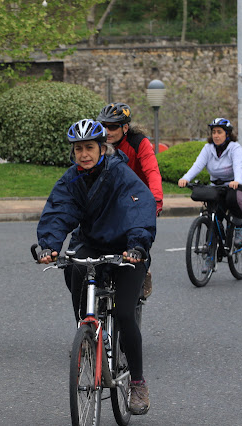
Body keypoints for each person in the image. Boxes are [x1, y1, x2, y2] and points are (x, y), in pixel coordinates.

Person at [36, 119, 156, 415]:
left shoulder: (120, 174)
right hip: (91, 243)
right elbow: (58, 211)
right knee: (73, 266)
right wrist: (50, 246)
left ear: (103, 148)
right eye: (78, 149)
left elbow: (139, 209)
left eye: (90, 147)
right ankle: (87, 332)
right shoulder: (71, 179)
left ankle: (138, 382)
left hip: (127, 249)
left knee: (126, 313)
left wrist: (137, 246)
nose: (84, 154)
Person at [96, 102, 163, 299]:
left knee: (139, 238)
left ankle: (143, 273)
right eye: (104, 126)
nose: (107, 131)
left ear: (125, 127)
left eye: (113, 127)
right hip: (111, 198)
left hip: (137, 199)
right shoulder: (99, 143)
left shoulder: (138, 142)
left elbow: (152, 171)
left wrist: (156, 202)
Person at [178, 118, 242, 267]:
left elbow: (239, 165)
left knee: (233, 198)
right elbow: (198, 164)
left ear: (227, 134)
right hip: (218, 186)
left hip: (239, 183)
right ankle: (211, 254)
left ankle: (239, 227)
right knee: (213, 218)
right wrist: (185, 178)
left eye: (219, 132)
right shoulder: (208, 148)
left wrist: (237, 180)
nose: (216, 135)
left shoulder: (234, 147)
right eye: (213, 132)